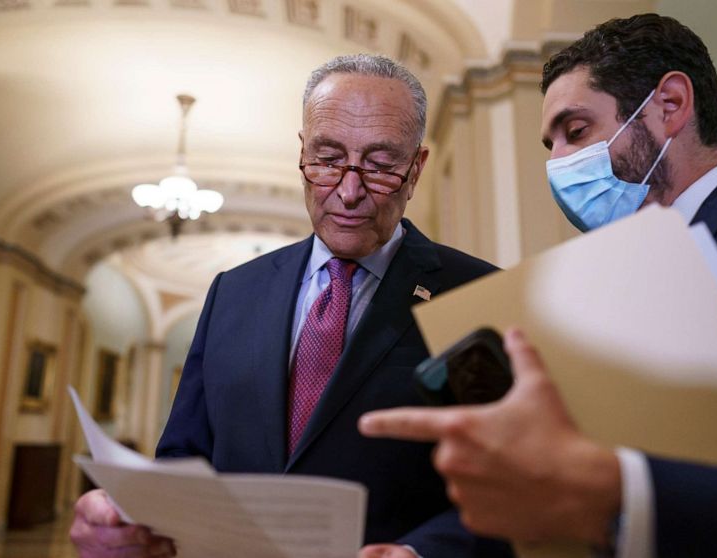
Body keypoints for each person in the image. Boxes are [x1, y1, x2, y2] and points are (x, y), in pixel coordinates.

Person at [359, 13, 717, 557]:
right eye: (550, 144)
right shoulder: (602, 292)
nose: (558, 164)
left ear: (669, 106)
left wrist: (623, 494)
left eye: (576, 132)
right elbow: (558, 485)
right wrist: (420, 552)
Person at [70, 54, 512, 558]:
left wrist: (419, 553)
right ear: (302, 152)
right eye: (327, 159)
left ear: (416, 170)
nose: (348, 192)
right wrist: (129, 521)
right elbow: (183, 457)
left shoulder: (477, 294)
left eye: (381, 165)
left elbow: (511, 486)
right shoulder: (232, 292)